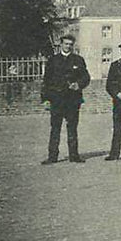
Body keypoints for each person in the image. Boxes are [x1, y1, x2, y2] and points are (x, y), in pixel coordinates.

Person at [40, 34, 91, 164]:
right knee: (55, 128)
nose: (68, 46)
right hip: (57, 99)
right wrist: (45, 99)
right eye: (66, 44)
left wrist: (78, 84)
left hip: (73, 100)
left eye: (70, 44)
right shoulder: (53, 60)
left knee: (72, 128)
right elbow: (46, 81)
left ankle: (74, 156)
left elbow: (86, 77)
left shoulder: (78, 60)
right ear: (61, 44)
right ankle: (52, 156)